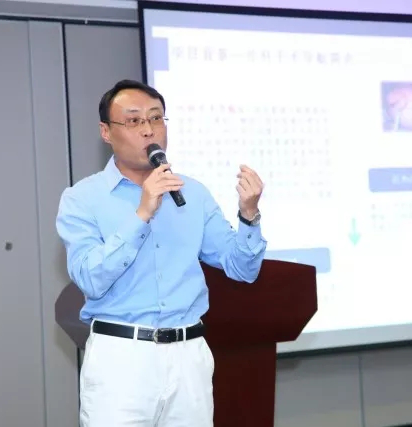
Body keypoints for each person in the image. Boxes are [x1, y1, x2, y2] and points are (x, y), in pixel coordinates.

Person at [55, 79, 267, 426]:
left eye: (156, 118)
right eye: (134, 120)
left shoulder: (192, 193)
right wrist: (142, 213)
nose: (148, 129)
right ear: (106, 132)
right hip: (121, 357)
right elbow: (90, 279)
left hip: (189, 356)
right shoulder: (82, 198)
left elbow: (242, 268)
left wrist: (249, 214)